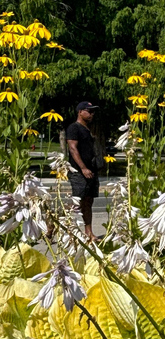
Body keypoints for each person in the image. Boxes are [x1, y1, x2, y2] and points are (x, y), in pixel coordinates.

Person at [66, 101, 100, 241]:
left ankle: (89, 233)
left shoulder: (87, 129)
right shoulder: (74, 127)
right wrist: (83, 168)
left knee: (88, 202)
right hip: (79, 172)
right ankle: (53, 221)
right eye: (88, 111)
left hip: (91, 171)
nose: (92, 114)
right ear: (80, 112)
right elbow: (73, 148)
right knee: (77, 201)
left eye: (93, 111)